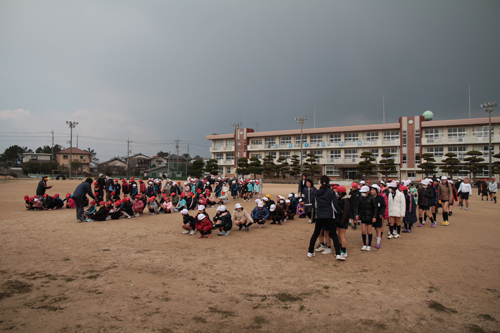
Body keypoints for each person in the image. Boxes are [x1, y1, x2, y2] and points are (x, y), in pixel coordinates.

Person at [307, 175, 343, 260]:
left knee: (315, 233)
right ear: (328, 183)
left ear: (320, 182)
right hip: (329, 215)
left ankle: (310, 252)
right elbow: (334, 205)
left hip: (319, 215)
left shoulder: (316, 192)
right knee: (334, 234)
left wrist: (314, 216)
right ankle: (338, 254)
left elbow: (314, 205)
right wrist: (340, 212)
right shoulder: (331, 192)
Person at [358, 185, 377, 251]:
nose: (362, 193)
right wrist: (357, 214)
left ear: (367, 192)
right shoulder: (360, 198)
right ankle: (364, 244)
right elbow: (358, 207)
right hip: (363, 216)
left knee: (369, 231)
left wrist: (374, 217)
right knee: (363, 231)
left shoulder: (372, 198)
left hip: (370, 217)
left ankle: (369, 245)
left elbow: (375, 208)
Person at [335, 186, 351, 258]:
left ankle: (344, 250)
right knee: (339, 235)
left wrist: (342, 221)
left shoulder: (346, 200)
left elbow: (346, 212)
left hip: (343, 220)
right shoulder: (339, 199)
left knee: (342, 235)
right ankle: (340, 248)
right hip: (338, 219)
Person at [371, 185, 386, 249]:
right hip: (371, 215)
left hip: (378, 215)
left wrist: (381, 213)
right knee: (371, 229)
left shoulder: (380, 198)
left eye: (373, 190)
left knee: (378, 229)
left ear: (377, 191)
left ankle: (378, 242)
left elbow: (384, 206)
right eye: (371, 190)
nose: (372, 191)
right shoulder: (370, 197)